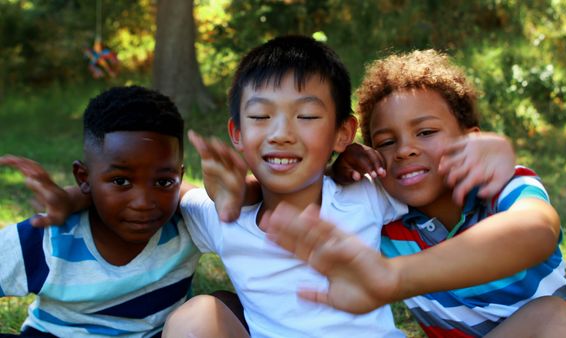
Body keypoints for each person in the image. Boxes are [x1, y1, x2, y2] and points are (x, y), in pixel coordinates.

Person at [163, 36, 517, 337]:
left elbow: (427, 176)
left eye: (306, 117)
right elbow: (167, 191)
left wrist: (493, 148)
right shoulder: (223, 216)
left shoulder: (365, 193)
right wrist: (236, 191)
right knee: (193, 318)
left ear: (342, 134)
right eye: (260, 117)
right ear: (237, 133)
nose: (281, 134)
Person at [263, 50, 566, 337]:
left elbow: (536, 231)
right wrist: (337, 169)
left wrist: (394, 276)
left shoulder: (504, 188)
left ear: (471, 139)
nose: (404, 150)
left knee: (552, 318)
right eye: (385, 142)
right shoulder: (381, 213)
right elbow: (305, 196)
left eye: (426, 132)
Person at [0, 86, 201, 338]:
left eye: (162, 182)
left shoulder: (190, 224)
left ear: (179, 177)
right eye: (120, 181)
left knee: (223, 307)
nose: (143, 202)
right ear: (84, 178)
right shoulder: (49, 239)